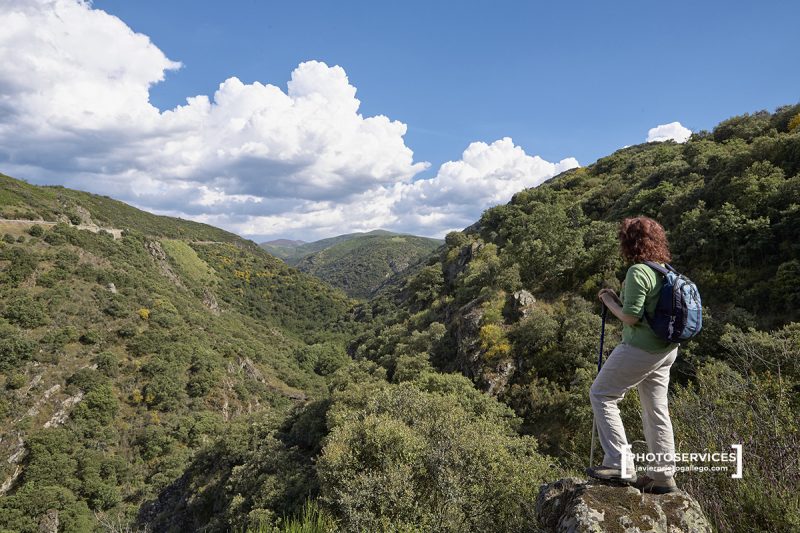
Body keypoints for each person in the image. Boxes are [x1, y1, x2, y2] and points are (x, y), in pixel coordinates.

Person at [586, 216, 680, 494]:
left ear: (629, 243)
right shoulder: (664, 269)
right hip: (667, 350)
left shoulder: (639, 272)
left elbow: (629, 316)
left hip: (641, 349)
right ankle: (663, 477)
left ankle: (620, 463)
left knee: (602, 394)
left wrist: (608, 300)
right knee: (656, 409)